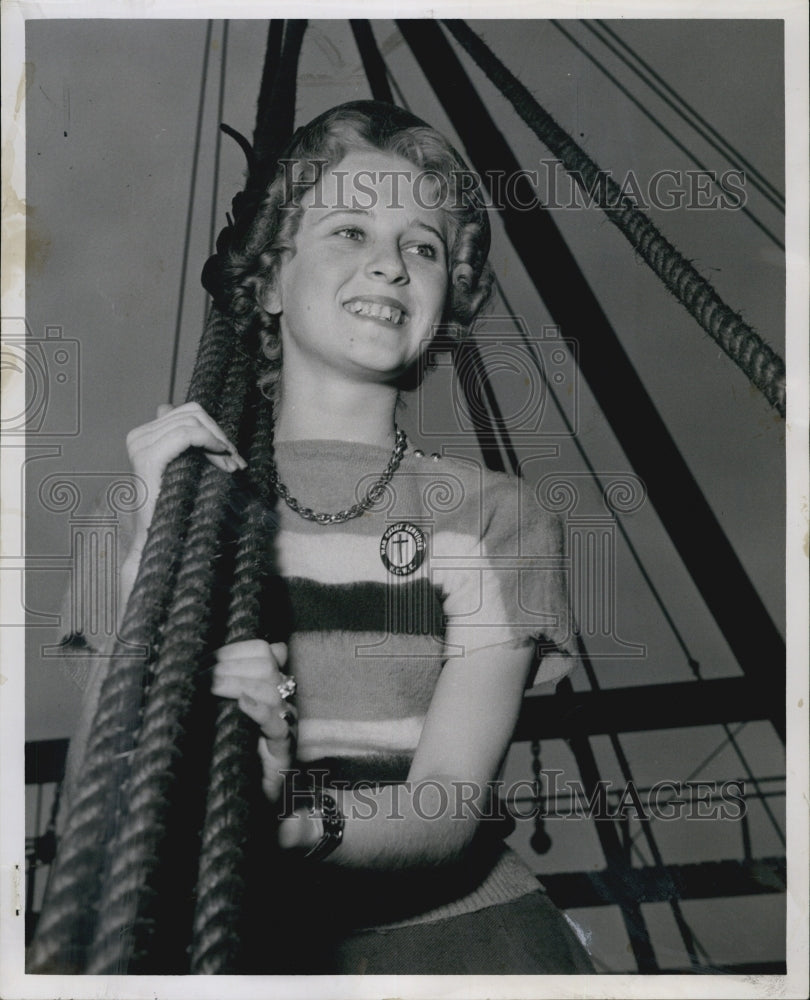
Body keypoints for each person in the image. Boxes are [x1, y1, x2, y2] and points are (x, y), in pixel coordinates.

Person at [63, 101, 593, 974]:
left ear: (447, 296)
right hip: (234, 953)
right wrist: (145, 555)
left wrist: (286, 820)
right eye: (349, 230)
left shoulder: (497, 517)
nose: (389, 263)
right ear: (270, 281)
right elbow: (101, 797)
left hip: (467, 949)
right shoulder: (149, 507)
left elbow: (448, 802)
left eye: (422, 246)